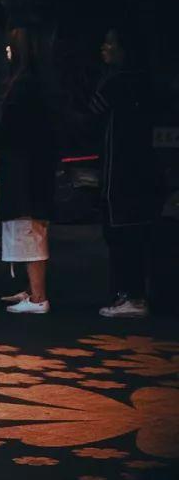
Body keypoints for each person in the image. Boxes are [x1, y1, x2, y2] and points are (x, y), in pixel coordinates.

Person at [89, 26, 163, 318]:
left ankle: (130, 295)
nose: (104, 49)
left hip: (120, 170)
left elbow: (91, 113)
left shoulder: (115, 83)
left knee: (120, 231)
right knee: (136, 231)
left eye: (110, 44)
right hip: (143, 168)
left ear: (123, 50)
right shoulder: (147, 82)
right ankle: (133, 293)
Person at [0, 28, 58, 315]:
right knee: (28, 229)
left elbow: (10, 128)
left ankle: (38, 297)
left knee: (29, 230)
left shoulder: (23, 85)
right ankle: (31, 291)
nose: (7, 52)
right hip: (32, 169)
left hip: (24, 170)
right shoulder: (36, 83)